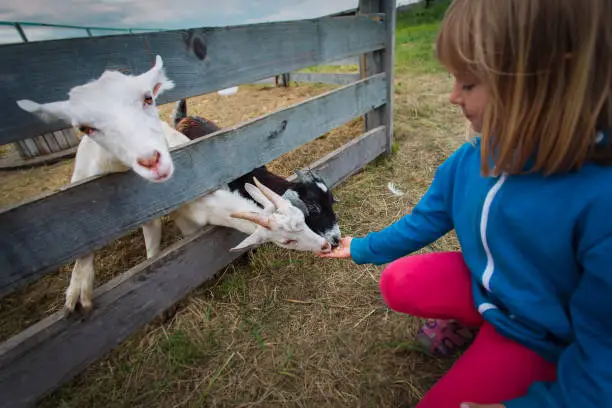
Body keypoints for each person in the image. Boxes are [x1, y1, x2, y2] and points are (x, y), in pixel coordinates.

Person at [319, 0, 612, 406]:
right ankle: (475, 321)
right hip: (491, 286)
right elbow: (426, 218)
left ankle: (516, 355)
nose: (453, 97)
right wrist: (364, 246)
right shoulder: (470, 160)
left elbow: (604, 363)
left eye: (469, 83)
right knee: (398, 282)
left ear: (551, 80)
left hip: (538, 334)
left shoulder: (601, 200)